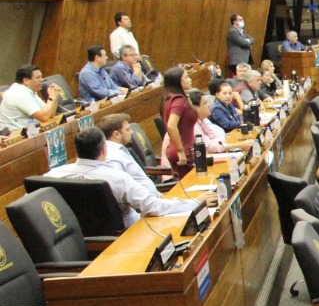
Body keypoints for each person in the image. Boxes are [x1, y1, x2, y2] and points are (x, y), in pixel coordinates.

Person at [46, 128, 213, 226]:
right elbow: (152, 207)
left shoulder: (52, 176)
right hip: (128, 233)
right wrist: (195, 202)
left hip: (80, 237)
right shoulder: (117, 178)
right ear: (104, 149)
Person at [99, 114, 157, 196]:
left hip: (151, 198)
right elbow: (122, 191)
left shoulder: (120, 150)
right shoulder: (113, 158)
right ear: (116, 134)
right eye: (127, 129)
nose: (131, 132)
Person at [0, 65, 62, 131]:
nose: (42, 80)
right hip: (12, 136)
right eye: (38, 77)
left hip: (27, 132)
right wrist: (52, 97)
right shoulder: (18, 93)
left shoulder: (29, 91)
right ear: (26, 80)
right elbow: (44, 117)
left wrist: (54, 97)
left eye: (41, 77)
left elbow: (50, 114)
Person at [161, 66, 198, 176]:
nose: (190, 79)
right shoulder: (178, 100)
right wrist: (181, 150)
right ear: (178, 82)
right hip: (183, 151)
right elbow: (171, 125)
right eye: (186, 77)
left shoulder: (174, 97)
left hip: (185, 149)